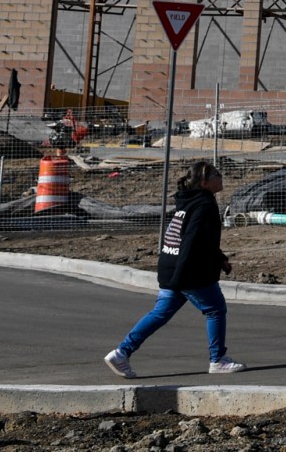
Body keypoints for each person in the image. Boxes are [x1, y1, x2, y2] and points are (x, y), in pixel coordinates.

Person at [103, 161, 243, 377]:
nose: (221, 176)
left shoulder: (190, 201)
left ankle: (121, 353)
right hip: (187, 271)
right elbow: (191, 241)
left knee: (160, 313)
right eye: (216, 174)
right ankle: (218, 360)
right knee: (215, 310)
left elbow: (199, 239)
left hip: (172, 266)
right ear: (205, 182)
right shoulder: (204, 205)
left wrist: (219, 257)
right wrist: (181, 277)